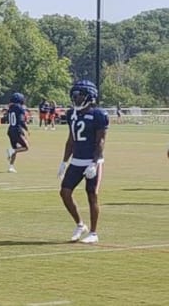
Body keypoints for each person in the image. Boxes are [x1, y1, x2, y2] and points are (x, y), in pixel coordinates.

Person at [57, 80, 108, 244]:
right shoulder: (72, 114)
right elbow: (71, 140)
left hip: (92, 161)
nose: (75, 97)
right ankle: (80, 224)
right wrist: (64, 162)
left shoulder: (98, 114)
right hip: (76, 160)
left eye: (79, 95)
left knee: (92, 195)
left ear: (89, 96)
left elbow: (100, 141)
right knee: (64, 192)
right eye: (75, 94)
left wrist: (95, 162)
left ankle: (94, 232)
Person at [6, 92, 29, 173]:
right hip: (17, 130)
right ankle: (11, 151)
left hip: (10, 130)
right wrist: (26, 129)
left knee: (15, 148)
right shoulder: (20, 108)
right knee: (26, 147)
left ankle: (11, 166)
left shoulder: (10, 108)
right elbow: (21, 120)